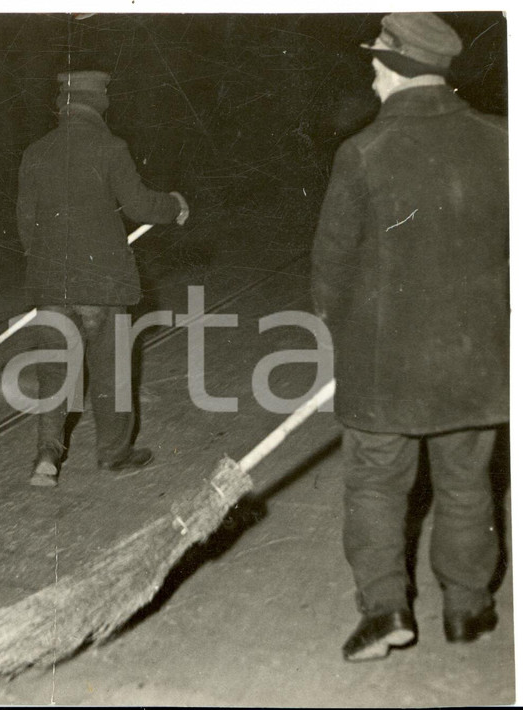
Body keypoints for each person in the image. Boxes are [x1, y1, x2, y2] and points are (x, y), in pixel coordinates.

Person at [311, 13, 508, 662]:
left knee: (374, 481)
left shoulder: (363, 152)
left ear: (397, 68)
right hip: (477, 360)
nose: (372, 72)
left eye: (377, 61)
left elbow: (330, 271)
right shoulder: (503, 140)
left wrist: (344, 339)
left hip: (385, 366)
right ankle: (467, 608)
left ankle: (385, 611)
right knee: (467, 481)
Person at [17, 69, 189, 487]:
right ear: (100, 103)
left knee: (54, 371)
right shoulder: (111, 147)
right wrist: (175, 205)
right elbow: (139, 206)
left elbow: (26, 222)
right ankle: (114, 453)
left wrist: (47, 264)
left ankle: (46, 455)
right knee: (110, 369)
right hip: (102, 285)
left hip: (51, 283)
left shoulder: (35, 151)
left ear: (61, 105)